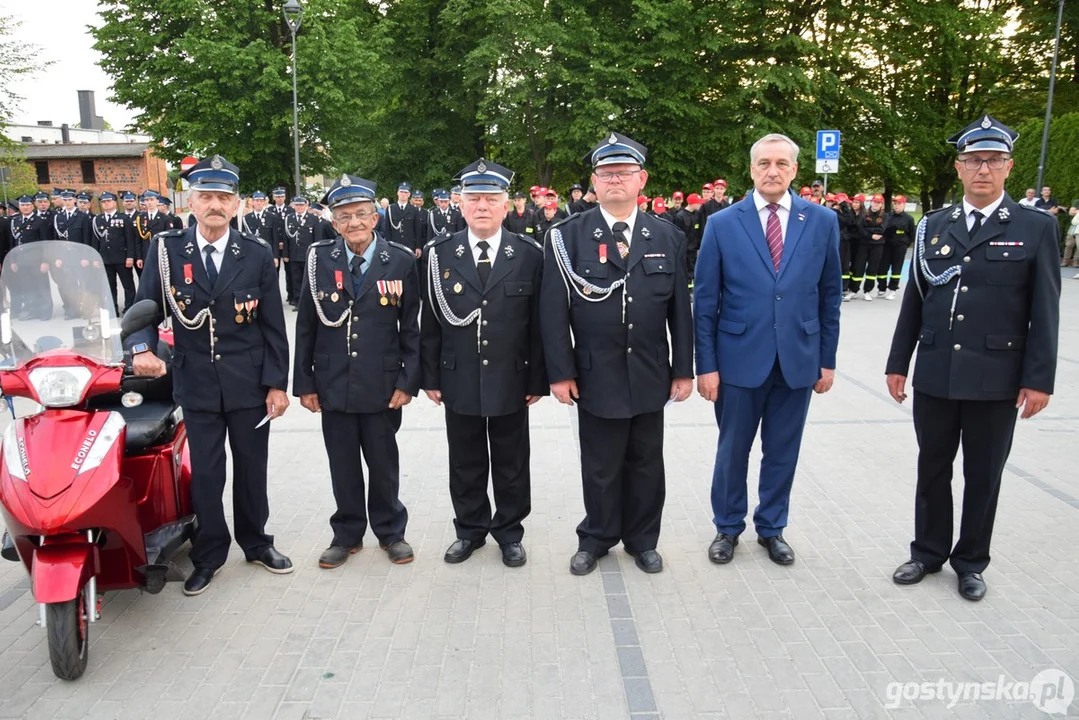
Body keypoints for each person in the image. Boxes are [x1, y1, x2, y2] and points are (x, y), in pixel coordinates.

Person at [885, 116, 1060, 602]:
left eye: (993, 161)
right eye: (973, 161)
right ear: (959, 168)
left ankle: (970, 561)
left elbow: (1045, 311)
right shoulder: (933, 226)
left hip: (996, 378)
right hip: (937, 371)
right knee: (932, 467)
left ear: (1008, 167)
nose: (983, 170)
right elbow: (915, 303)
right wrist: (899, 362)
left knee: (983, 474)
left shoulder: (1036, 227)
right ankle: (927, 552)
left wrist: (1039, 379)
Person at [127, 155, 293, 596]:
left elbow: (274, 326)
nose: (215, 205)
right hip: (196, 383)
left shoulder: (255, 254)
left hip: (248, 383)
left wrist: (278, 384)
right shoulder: (166, 250)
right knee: (206, 473)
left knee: (252, 468)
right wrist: (141, 348)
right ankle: (209, 554)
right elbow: (145, 306)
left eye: (223, 197)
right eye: (206, 197)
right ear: (192, 203)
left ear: (236, 204)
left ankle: (257, 544)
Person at [541, 132, 693, 576]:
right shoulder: (567, 236)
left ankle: (643, 541)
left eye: (623, 173)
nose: (614, 181)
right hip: (595, 373)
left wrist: (683, 370)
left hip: (649, 372)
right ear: (593, 181)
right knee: (601, 464)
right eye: (606, 174)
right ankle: (597, 537)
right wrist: (560, 372)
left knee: (647, 463)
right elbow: (553, 314)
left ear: (641, 179)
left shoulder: (667, 235)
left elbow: (679, 312)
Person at [694, 132, 842, 568]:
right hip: (738, 360)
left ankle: (772, 527)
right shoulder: (723, 223)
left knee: (783, 450)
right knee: (733, 449)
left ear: (795, 170)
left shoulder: (821, 221)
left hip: (798, 358)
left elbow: (829, 295)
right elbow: (705, 301)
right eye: (764, 163)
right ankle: (727, 527)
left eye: (781, 163)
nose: (772, 171)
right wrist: (707, 366)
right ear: (752, 169)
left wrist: (827, 359)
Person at [420, 158, 547, 568]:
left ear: (506, 205)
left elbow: (539, 325)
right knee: (466, 459)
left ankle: (510, 533)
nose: (482, 206)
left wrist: (539, 378)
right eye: (474, 198)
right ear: (460, 204)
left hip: (512, 376)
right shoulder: (440, 254)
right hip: (459, 376)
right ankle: (470, 530)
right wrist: (430, 376)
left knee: (512, 461)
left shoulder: (528, 254)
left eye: (491, 198)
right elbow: (431, 321)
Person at [293, 174, 420, 568]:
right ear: (334, 223)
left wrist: (408, 381)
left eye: (361, 214)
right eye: (344, 216)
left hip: (382, 384)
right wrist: (305, 384)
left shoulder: (399, 259)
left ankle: (390, 531)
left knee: (383, 462)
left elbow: (412, 327)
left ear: (375, 217)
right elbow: (306, 326)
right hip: (332, 382)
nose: (354, 223)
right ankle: (347, 533)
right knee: (342, 462)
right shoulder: (319, 259)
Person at [89, 191, 137, 317]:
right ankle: (112, 308)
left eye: (108, 201)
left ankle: (130, 308)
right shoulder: (97, 220)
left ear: (115, 202)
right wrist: (95, 257)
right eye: (103, 202)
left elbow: (130, 239)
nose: (106, 204)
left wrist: (130, 256)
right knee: (110, 286)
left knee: (128, 285)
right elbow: (95, 240)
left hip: (122, 258)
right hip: (105, 259)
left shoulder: (124, 218)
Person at [283, 196, 323, 309]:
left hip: (308, 254)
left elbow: (318, 238)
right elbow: (286, 238)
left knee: (309, 279)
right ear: (293, 205)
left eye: (301, 205)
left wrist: (317, 254)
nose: (299, 207)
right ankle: (297, 301)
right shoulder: (289, 218)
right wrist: (285, 254)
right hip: (294, 254)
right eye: (297, 205)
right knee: (296, 278)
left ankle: (309, 301)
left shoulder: (313, 219)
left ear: (306, 205)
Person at [876, 194, 916, 299]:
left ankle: (893, 289)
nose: (897, 206)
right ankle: (881, 287)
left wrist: (905, 243)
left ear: (904, 205)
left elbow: (912, 234)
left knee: (896, 268)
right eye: (895, 204)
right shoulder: (887, 216)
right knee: (882, 267)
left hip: (900, 246)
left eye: (899, 204)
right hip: (887, 245)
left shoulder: (908, 218)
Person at [852, 194, 886, 300]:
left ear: (881, 204)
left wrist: (869, 229)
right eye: (874, 202)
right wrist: (871, 235)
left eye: (878, 203)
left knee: (872, 268)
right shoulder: (864, 214)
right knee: (859, 267)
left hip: (878, 245)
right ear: (871, 202)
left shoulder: (885, 216)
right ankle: (854, 290)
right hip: (864, 244)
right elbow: (861, 229)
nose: (876, 204)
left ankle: (867, 291)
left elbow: (881, 230)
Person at [379, 183, 419, 256]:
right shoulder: (390, 209)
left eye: (405, 192)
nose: (403, 194)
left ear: (409, 194)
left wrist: (418, 247)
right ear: (397, 193)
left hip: (410, 245)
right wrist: (388, 245)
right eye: (401, 192)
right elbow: (387, 229)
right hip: (394, 245)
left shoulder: (414, 210)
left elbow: (417, 229)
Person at [1065, 201, 1079, 273]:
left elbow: (1074, 212)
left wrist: (1077, 211)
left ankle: (1075, 261)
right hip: (1074, 226)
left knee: (1078, 246)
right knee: (1069, 244)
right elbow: (1071, 212)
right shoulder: (1077, 202)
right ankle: (1065, 261)